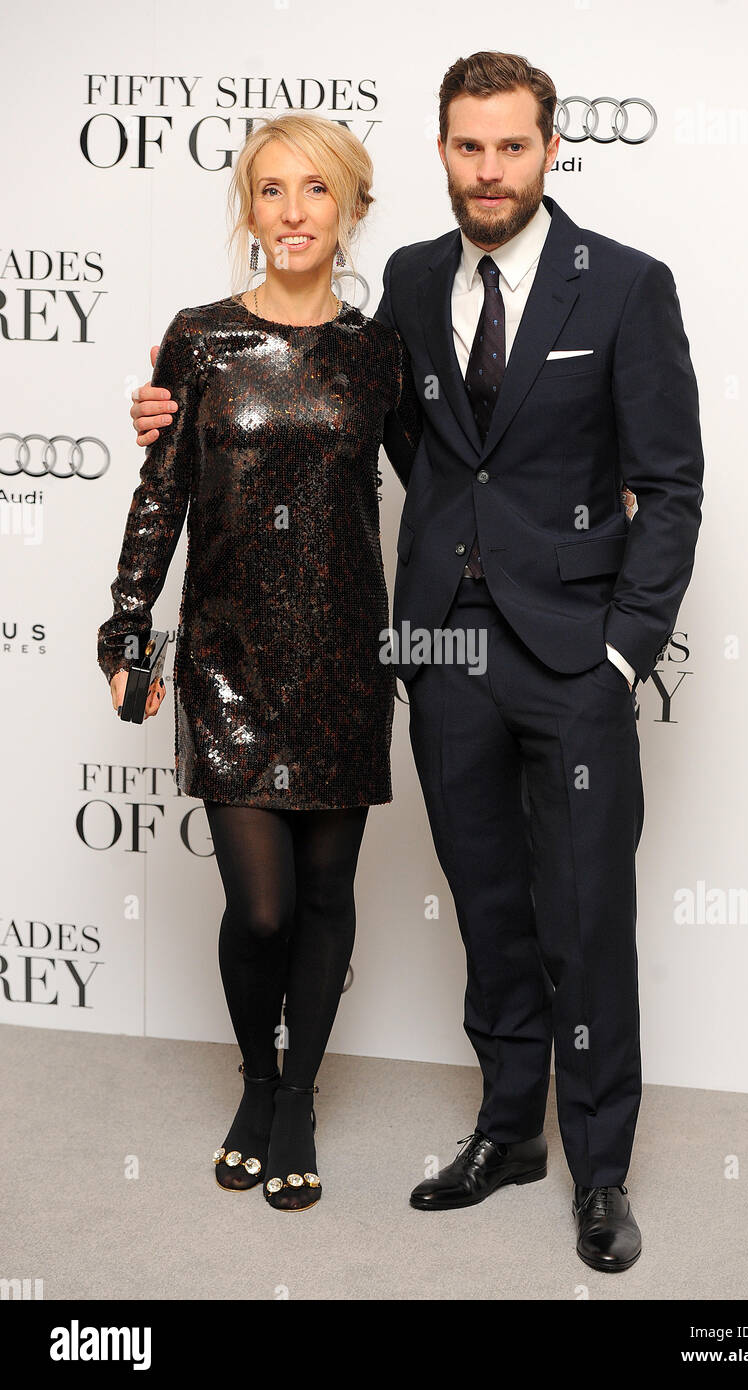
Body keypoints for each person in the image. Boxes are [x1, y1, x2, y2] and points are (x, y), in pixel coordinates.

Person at [131, 51, 704, 1272]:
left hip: (571, 658)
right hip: (441, 651)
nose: (487, 170)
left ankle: (598, 1174)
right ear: (439, 154)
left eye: (509, 147)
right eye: (465, 147)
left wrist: (622, 649)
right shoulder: (406, 277)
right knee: (489, 912)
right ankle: (509, 1134)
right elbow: (346, 409)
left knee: (584, 918)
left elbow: (670, 485)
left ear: (550, 150)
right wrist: (175, 409)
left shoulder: (625, 289)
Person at [98, 112, 419, 1212]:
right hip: (228, 658)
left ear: (350, 209)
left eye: (315, 191)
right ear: (249, 206)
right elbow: (163, 494)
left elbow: (450, 484)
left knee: (326, 897)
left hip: (342, 658)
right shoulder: (197, 339)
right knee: (265, 909)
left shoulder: (379, 350)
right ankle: (254, 1071)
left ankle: (295, 1097)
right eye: (272, 190)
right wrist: (130, 622)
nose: (292, 212)